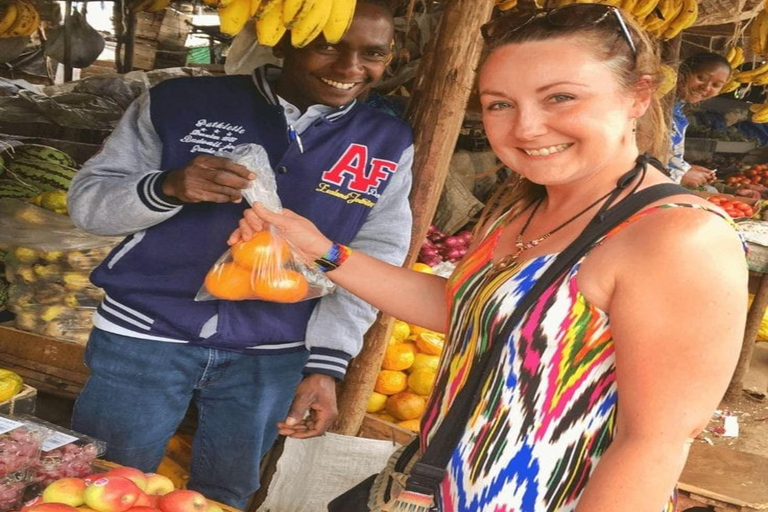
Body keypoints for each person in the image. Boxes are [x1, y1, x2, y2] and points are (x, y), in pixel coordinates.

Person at [230, 4, 748, 511]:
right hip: (434, 487)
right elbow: (467, 309)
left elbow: (653, 444)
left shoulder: (678, 237)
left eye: (561, 97)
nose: (525, 128)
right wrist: (320, 249)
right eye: (500, 103)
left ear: (637, 96)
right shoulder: (525, 206)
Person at [66, 1, 413, 507]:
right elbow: (87, 206)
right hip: (143, 335)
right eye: (328, 46)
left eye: (373, 54)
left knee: (230, 491)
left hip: (275, 355)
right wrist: (167, 187)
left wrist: (327, 362)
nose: (349, 68)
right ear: (283, 41)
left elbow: (375, 259)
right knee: (106, 480)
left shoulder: (388, 140)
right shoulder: (181, 102)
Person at [669, 52, 732, 187]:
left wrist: (686, 167)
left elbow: (666, 154)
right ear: (683, 73)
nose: (706, 87)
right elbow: (641, 157)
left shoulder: (678, 112)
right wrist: (680, 175)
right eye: (701, 77)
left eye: (716, 85)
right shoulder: (656, 109)